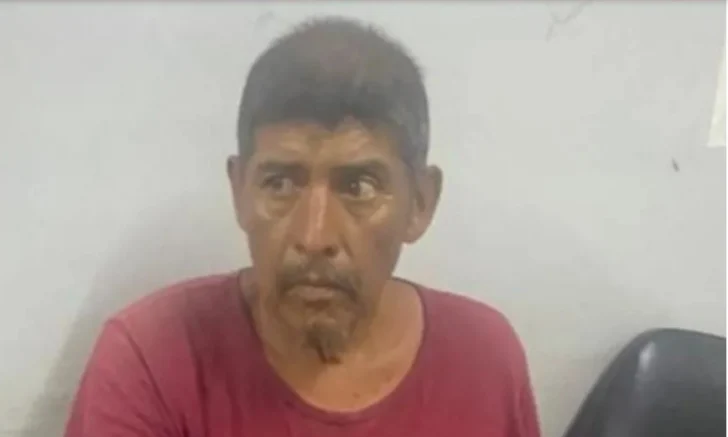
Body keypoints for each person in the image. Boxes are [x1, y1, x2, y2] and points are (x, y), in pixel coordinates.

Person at [64, 17, 540, 437]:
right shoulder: (151, 360)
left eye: (359, 187)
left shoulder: (485, 359)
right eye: (280, 183)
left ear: (420, 203)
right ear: (239, 192)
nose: (314, 237)